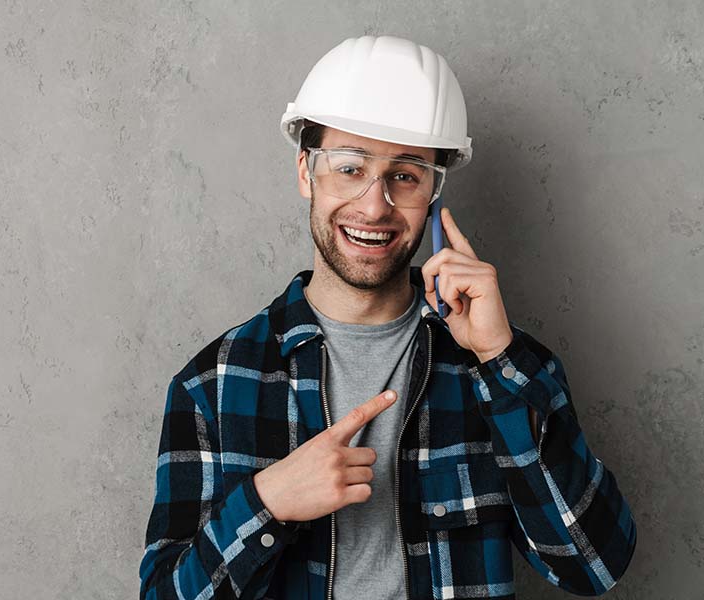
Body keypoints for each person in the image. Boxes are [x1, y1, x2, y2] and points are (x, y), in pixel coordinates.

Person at [138, 35, 636, 600]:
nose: (375, 206)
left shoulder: (501, 369)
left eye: (405, 175)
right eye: (349, 168)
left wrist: (500, 358)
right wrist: (267, 502)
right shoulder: (214, 385)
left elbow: (593, 566)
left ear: (434, 191)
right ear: (306, 172)